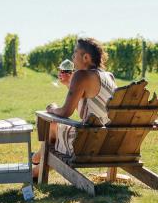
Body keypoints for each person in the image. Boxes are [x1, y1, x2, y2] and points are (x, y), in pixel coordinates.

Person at [31, 37, 117, 175]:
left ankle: (36, 161)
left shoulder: (81, 75)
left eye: (75, 53)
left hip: (85, 144)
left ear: (86, 57)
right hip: (108, 142)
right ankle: (36, 166)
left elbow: (65, 112)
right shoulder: (109, 76)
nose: (72, 58)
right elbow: (89, 111)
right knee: (56, 129)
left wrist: (52, 109)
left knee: (51, 124)